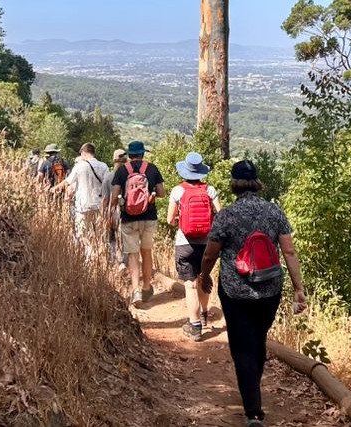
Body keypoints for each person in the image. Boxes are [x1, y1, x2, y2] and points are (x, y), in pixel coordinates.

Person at [197, 160, 307, 426]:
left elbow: (211, 253)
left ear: (234, 184)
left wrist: (204, 275)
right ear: (257, 182)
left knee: (242, 346)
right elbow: (289, 251)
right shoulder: (274, 211)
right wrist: (298, 289)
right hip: (270, 289)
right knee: (258, 339)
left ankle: (253, 412)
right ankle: (253, 391)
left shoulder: (227, 215)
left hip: (235, 291)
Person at [167, 152, 220, 341]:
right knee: (203, 278)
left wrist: (181, 220)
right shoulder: (210, 190)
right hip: (207, 244)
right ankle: (204, 314)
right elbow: (220, 216)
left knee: (190, 285)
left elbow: (169, 219)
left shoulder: (177, 191)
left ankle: (195, 326)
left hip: (185, 243)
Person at [106, 141, 166, 307]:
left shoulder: (122, 171)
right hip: (149, 218)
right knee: (146, 252)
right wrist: (151, 196)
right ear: (143, 153)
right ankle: (146, 286)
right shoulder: (152, 169)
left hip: (128, 219)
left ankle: (136, 290)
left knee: (133, 255)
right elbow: (162, 193)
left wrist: (112, 210)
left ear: (129, 155)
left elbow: (114, 196)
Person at [51, 143, 110, 260]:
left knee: (82, 234)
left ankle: (90, 255)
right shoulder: (103, 166)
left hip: (83, 205)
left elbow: (68, 181)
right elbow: (108, 184)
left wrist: (54, 188)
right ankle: (99, 256)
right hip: (99, 205)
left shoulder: (79, 167)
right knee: (98, 233)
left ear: (83, 153)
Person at [104, 149, 129, 266]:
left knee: (111, 238)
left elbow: (105, 199)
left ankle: (112, 261)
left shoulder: (108, 177)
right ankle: (124, 263)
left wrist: (104, 214)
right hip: (128, 212)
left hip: (112, 211)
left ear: (114, 161)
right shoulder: (131, 176)